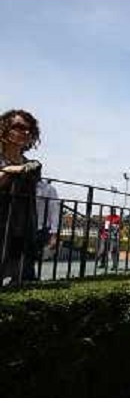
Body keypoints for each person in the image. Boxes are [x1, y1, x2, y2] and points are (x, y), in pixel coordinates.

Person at [0, 109, 42, 284]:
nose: (25, 132)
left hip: (21, 227)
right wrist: (10, 171)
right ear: (4, 128)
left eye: (29, 129)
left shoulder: (29, 163)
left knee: (22, 280)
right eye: (19, 127)